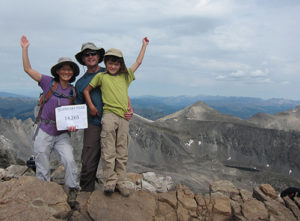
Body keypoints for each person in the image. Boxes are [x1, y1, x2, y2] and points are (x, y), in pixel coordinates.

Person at [83, 37, 149, 197]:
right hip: (109, 116)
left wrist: (144, 45)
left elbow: (138, 62)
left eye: (116, 63)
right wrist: (91, 106)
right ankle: (110, 182)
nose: (113, 66)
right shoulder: (101, 76)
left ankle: (120, 182)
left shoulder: (125, 76)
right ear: (106, 63)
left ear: (121, 65)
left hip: (124, 118)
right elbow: (86, 90)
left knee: (122, 151)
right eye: (110, 63)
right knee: (108, 150)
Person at [20, 35, 80, 206]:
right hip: (44, 130)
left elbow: (73, 114)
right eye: (63, 69)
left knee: (69, 160)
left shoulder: (73, 92)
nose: (66, 72)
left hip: (62, 134)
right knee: (42, 164)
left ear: (72, 72)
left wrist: (74, 126)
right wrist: (25, 48)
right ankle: (44, 192)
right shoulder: (48, 82)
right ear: (58, 71)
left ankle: (72, 191)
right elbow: (28, 69)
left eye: (69, 70)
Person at [74, 42, 134, 192]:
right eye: (86, 54)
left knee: (118, 154)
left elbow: (122, 90)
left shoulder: (110, 70)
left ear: (99, 56)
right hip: (93, 124)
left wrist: (130, 107)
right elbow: (78, 106)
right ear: (83, 59)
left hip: (115, 118)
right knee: (88, 163)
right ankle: (86, 195)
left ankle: (116, 185)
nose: (90, 57)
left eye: (93, 53)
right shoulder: (80, 83)